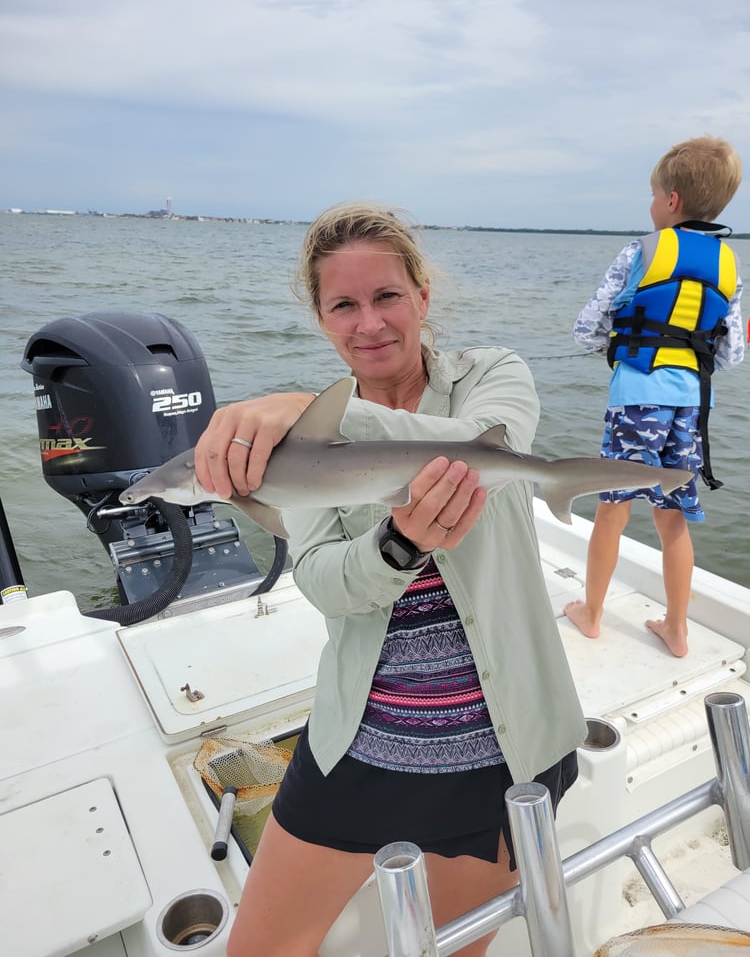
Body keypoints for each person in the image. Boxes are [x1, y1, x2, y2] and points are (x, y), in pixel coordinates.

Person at [194, 202, 587, 957]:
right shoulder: (302, 436)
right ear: (320, 316)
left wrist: (306, 416)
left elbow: (480, 456)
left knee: (455, 950)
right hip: (361, 747)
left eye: (387, 297)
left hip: (499, 752)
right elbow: (323, 583)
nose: (369, 323)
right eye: (344, 304)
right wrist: (399, 545)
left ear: (423, 297)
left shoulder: (491, 375)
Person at [564, 136, 744, 658]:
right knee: (673, 518)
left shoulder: (640, 250)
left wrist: (617, 341)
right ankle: (678, 630)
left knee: (612, 509)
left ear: (670, 201)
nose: (650, 205)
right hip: (690, 409)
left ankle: (592, 614)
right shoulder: (729, 264)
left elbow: (586, 329)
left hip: (635, 401)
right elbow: (730, 357)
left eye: (652, 195)